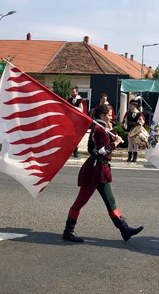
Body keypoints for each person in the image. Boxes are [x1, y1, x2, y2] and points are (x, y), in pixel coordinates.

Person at [62, 103, 144, 243]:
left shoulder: (103, 129)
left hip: (101, 170)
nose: (112, 116)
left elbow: (103, 145)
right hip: (94, 170)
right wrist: (115, 143)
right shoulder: (99, 130)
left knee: (110, 201)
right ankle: (68, 231)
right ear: (102, 116)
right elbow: (102, 151)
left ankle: (124, 229)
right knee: (80, 202)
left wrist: (113, 134)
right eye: (109, 114)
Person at [67, 86, 87, 158]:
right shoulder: (68, 100)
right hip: (70, 121)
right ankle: (69, 152)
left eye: (74, 92)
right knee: (69, 138)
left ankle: (75, 152)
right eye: (71, 92)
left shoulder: (81, 101)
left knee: (76, 138)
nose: (72, 93)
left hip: (77, 122)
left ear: (77, 92)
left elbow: (83, 112)